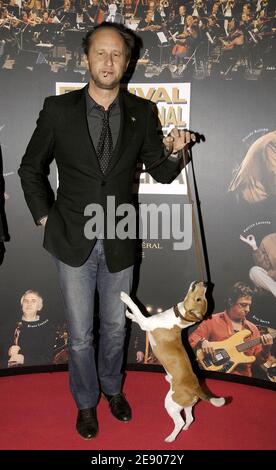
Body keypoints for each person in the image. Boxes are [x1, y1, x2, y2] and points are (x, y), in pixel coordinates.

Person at [18, 22, 196, 440]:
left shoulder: (142, 112)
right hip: (71, 239)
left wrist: (180, 150)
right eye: (101, 53)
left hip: (119, 236)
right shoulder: (57, 110)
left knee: (116, 327)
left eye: (118, 54)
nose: (109, 61)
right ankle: (85, 402)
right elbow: (31, 169)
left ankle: (113, 391)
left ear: (128, 62)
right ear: (86, 58)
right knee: (81, 334)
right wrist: (46, 218)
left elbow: (161, 170)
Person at [189, 282, 273, 377]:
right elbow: (192, 338)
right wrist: (202, 342)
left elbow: (258, 361)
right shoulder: (212, 320)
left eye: (249, 305)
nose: (248, 309)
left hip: (243, 380)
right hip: (214, 377)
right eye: (243, 305)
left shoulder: (253, 329)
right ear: (230, 301)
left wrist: (266, 348)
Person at [7, 290, 54, 367]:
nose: (29, 304)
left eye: (33, 301)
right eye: (26, 301)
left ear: (39, 307)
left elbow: (48, 359)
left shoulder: (47, 328)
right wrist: (8, 351)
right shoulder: (10, 325)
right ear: (22, 305)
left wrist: (24, 360)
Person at [240, 232, 276, 298]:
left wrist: (271, 273)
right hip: (274, 281)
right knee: (254, 271)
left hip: (273, 275)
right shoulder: (268, 240)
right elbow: (265, 267)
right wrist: (254, 247)